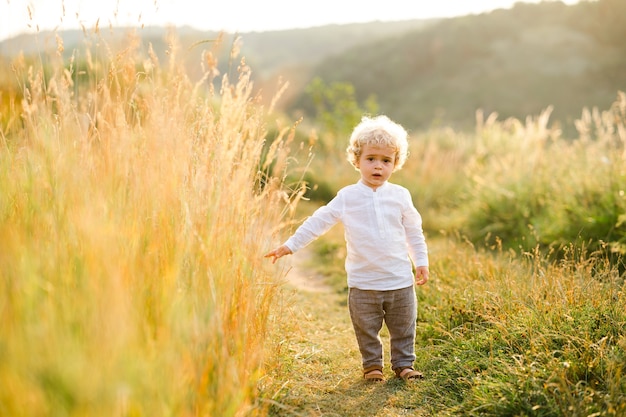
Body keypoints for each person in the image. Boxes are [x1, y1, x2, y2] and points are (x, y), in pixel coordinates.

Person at [265, 115, 429, 382]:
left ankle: (403, 364)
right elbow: (318, 221)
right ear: (357, 160)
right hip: (363, 282)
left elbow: (414, 231)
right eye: (371, 159)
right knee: (366, 328)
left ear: (395, 163)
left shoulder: (400, 195)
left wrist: (421, 261)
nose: (378, 166)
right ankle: (372, 366)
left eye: (386, 161)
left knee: (403, 326)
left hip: (399, 280)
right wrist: (290, 245)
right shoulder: (348, 197)